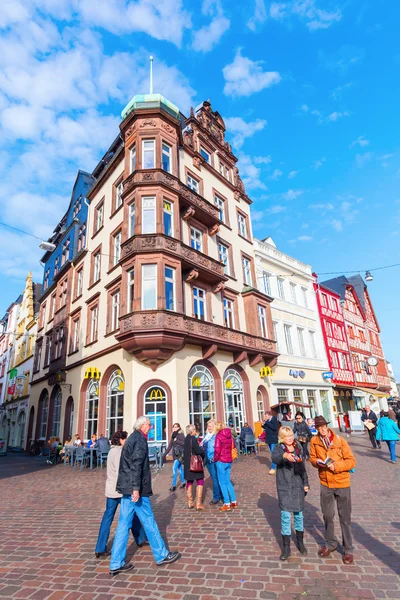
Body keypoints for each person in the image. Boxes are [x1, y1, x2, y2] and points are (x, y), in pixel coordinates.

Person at [109, 416, 181, 576]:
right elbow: (136, 466)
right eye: (149, 424)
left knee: (123, 525)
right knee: (149, 521)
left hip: (127, 489)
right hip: (136, 490)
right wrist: (136, 489)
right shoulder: (140, 440)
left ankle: (115, 562)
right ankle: (161, 555)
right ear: (142, 426)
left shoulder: (132, 439)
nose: (151, 427)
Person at [309, 415, 356, 565]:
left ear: (327, 427)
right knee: (328, 515)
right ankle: (331, 543)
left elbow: (351, 461)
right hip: (325, 483)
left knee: (345, 517)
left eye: (324, 427)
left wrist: (336, 466)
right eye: (319, 428)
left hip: (342, 482)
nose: (322, 430)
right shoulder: (314, 441)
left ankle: (348, 549)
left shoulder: (340, 440)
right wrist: (317, 462)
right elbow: (312, 458)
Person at [95, 431, 147, 558]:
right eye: (126, 439)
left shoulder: (111, 451)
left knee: (108, 517)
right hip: (120, 490)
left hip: (110, 489)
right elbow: (123, 471)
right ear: (121, 440)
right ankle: (140, 539)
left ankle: (100, 547)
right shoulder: (120, 452)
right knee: (131, 514)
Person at [272, 426, 309, 561]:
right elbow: (274, 458)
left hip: (298, 485)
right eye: (287, 436)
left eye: (291, 435)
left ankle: (300, 542)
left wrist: (306, 483)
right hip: (285, 487)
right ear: (282, 437)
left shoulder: (298, 446)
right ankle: (286, 548)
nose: (290, 438)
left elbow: (303, 467)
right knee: (286, 516)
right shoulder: (279, 448)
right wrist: (284, 455)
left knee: (299, 515)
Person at [214, 421, 237, 512]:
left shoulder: (218, 436)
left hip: (221, 461)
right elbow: (234, 446)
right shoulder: (229, 436)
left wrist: (215, 459)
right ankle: (234, 501)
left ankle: (227, 503)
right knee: (227, 482)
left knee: (222, 483)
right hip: (229, 460)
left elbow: (217, 450)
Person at [184, 424, 206, 510]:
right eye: (194, 429)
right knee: (200, 481)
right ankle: (198, 503)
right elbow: (197, 450)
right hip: (194, 463)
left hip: (187, 463)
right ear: (192, 430)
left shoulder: (186, 439)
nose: (195, 431)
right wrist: (202, 450)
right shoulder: (193, 439)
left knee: (189, 481)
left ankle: (190, 502)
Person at [202, 420, 222, 505]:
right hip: (208, 460)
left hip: (212, 460)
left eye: (211, 426)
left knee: (215, 478)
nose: (209, 428)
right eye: (208, 426)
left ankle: (216, 497)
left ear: (214, 427)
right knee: (215, 477)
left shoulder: (215, 436)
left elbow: (213, 449)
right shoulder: (207, 436)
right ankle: (220, 494)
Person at [163, 423, 185, 491]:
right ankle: (183, 482)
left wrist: (177, 440)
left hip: (180, 455)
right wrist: (164, 454)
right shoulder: (173, 435)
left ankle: (173, 485)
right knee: (180, 469)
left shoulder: (181, 434)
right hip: (175, 455)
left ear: (179, 427)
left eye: (176, 427)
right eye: (174, 427)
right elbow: (170, 446)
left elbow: (184, 443)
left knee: (174, 468)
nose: (175, 428)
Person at [262, 411, 279, 475]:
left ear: (269, 415)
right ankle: (278, 463)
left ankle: (273, 467)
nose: (265, 417)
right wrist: (263, 424)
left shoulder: (274, 419)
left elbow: (274, 428)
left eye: (266, 416)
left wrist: (267, 422)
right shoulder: (268, 421)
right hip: (269, 439)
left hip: (273, 439)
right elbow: (266, 427)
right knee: (273, 452)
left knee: (273, 453)